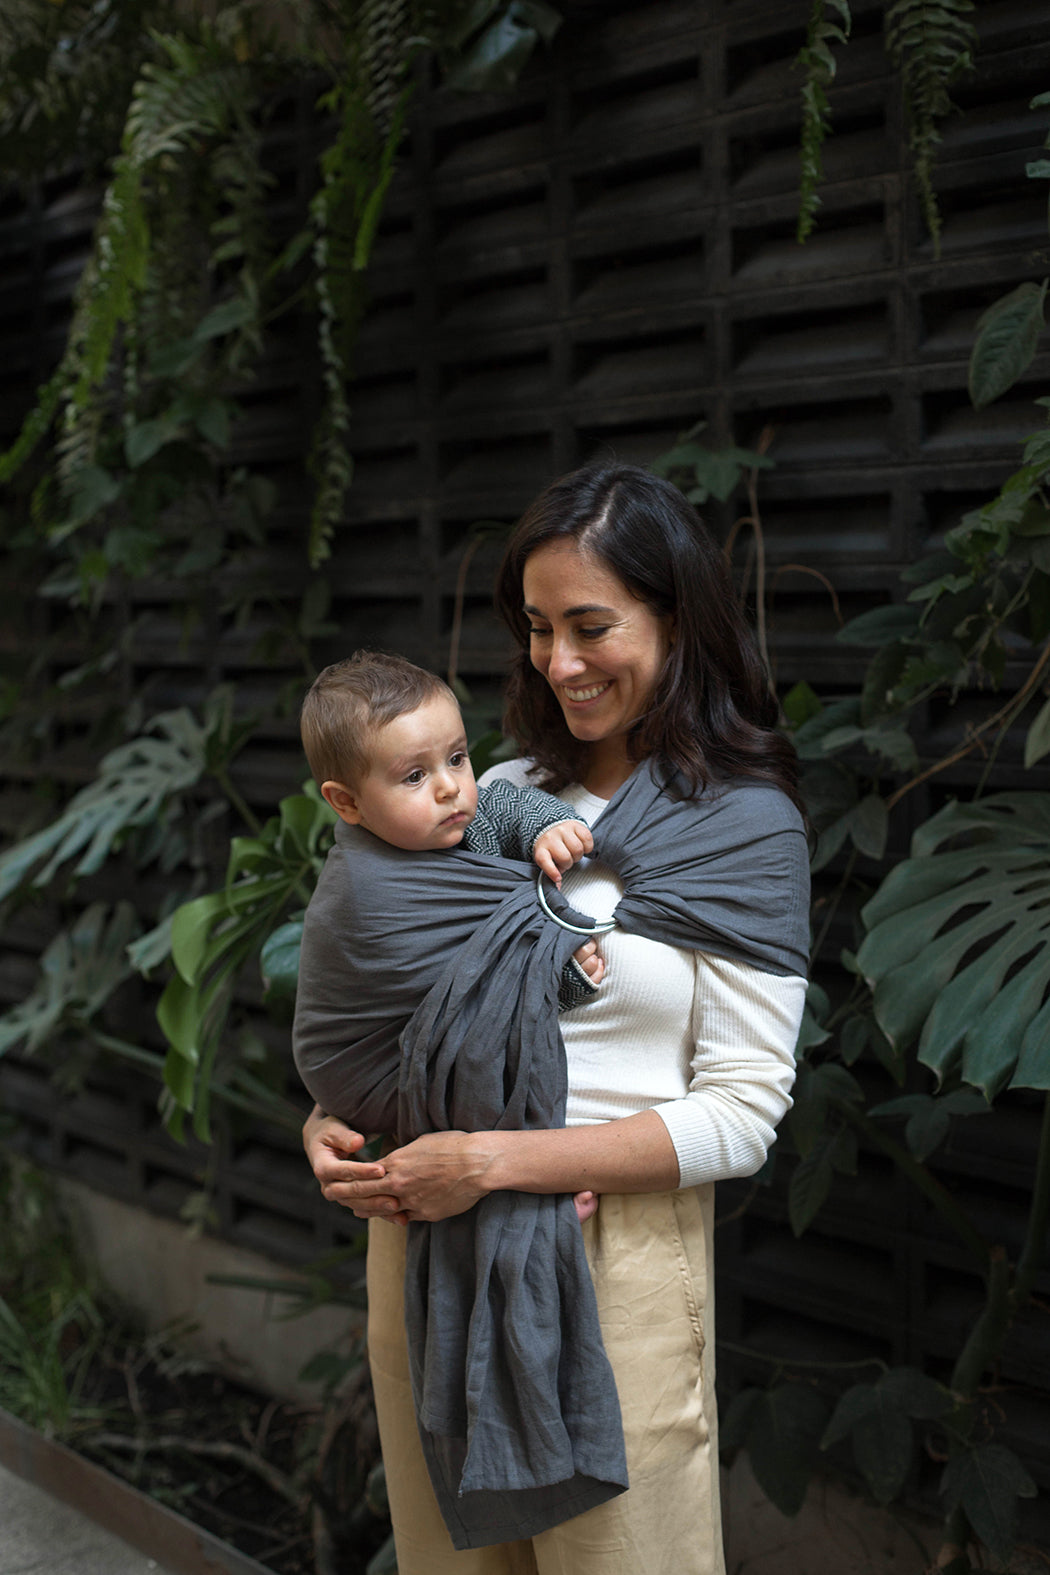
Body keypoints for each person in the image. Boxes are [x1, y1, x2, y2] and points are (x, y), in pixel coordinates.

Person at [303, 461, 810, 1575]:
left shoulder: (743, 829)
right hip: (429, 1244)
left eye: (591, 626)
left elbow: (741, 1116)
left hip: (608, 1257)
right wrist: (335, 1120)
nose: (559, 662)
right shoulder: (488, 797)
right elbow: (399, 994)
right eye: (537, 628)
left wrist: (493, 1162)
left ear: (676, 621)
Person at [293, 648, 606, 1218]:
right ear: (346, 802)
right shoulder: (363, 894)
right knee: (476, 1059)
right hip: (368, 1073)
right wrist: (559, 981)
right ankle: (523, 1201)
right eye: (415, 776)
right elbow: (472, 996)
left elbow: (510, 807)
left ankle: (514, 1194)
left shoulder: (469, 812)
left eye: (457, 758)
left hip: (400, 1087)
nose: (450, 788)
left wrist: (552, 827)